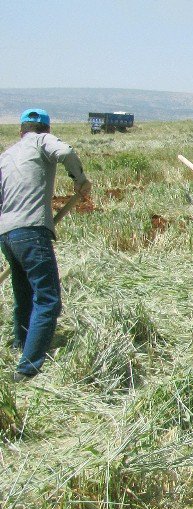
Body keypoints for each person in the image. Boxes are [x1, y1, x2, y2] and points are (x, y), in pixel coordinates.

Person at [0, 109, 91, 381]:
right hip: (31, 231)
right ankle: (28, 368)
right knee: (48, 298)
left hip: (6, 234)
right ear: (47, 130)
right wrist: (80, 180)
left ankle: (21, 344)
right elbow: (65, 152)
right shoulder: (42, 142)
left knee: (23, 293)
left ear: (21, 131)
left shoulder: (6, 155)